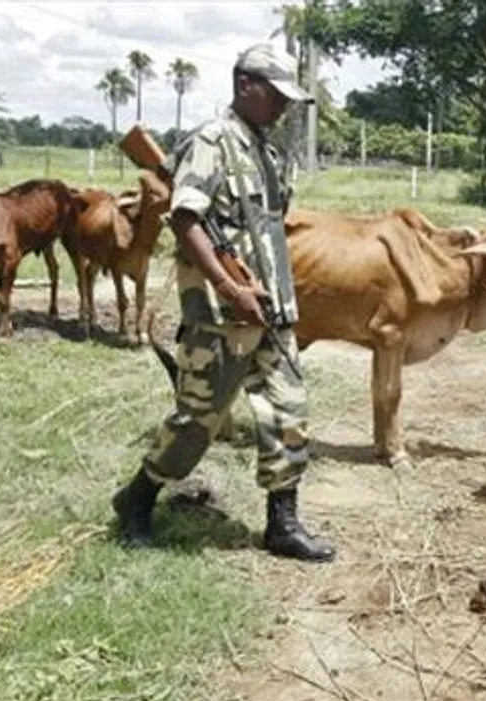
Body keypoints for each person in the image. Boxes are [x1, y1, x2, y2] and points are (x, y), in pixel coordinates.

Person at [111, 43, 335, 562]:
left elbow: (269, 228)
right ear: (244, 86)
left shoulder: (267, 151)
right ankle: (136, 500)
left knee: (289, 410)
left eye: (286, 99)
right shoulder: (212, 142)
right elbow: (187, 220)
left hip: (272, 307)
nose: (281, 108)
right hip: (222, 316)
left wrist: (271, 292)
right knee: (198, 423)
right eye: (274, 96)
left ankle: (282, 523)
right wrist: (231, 287)